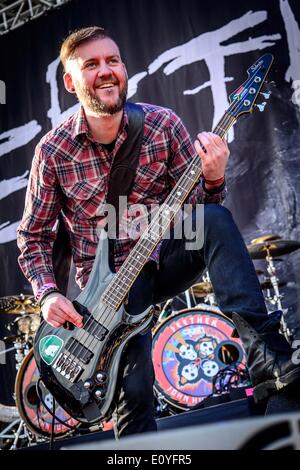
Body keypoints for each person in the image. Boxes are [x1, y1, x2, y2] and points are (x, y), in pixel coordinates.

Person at [17, 26, 300, 438]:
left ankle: (267, 362)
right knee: (134, 398)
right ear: (70, 82)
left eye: (112, 60)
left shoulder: (162, 125)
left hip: (161, 259)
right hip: (106, 292)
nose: (106, 71)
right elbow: (34, 236)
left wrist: (215, 177)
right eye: (91, 65)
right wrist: (47, 294)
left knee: (216, 222)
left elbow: (201, 216)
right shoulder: (54, 150)